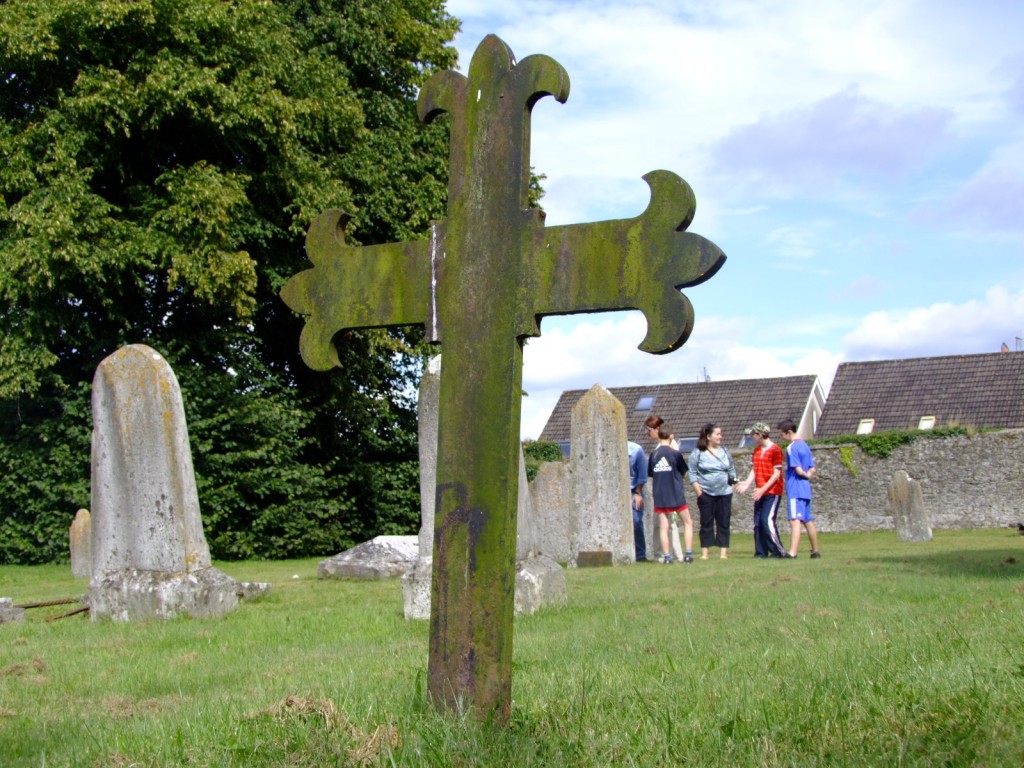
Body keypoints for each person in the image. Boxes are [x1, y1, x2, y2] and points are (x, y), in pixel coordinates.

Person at [645, 417, 694, 564]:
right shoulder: (675, 454)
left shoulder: (653, 455)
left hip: (660, 494)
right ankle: (688, 554)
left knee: (663, 527)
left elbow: (651, 473)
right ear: (671, 436)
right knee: (688, 522)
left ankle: (666, 556)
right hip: (675, 492)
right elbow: (684, 473)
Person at [736, 422, 788, 558]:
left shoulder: (775, 450)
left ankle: (778, 551)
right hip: (761, 491)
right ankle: (761, 552)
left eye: (753, 434)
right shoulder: (757, 450)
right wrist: (747, 483)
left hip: (772, 492)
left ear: (760, 435)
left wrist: (762, 490)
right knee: (758, 522)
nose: (752, 437)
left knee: (767, 521)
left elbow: (776, 474)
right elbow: (755, 469)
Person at [688, 423, 738, 560]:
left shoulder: (725, 451)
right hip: (706, 494)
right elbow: (692, 473)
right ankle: (705, 553)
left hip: (725, 493)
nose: (720, 437)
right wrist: (699, 492)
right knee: (706, 523)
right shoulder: (698, 453)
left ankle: (723, 553)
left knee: (724, 522)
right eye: (717, 434)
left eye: (721, 434)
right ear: (708, 436)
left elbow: (732, 470)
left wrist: (732, 486)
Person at [777, 419, 822, 559]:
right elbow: (812, 468)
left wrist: (805, 475)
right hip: (805, 489)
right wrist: (808, 475)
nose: (781, 437)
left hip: (795, 487)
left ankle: (792, 552)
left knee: (795, 520)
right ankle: (815, 551)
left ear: (788, 432)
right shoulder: (805, 445)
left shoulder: (792, 448)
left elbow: (798, 469)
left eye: (782, 434)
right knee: (808, 520)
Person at [628, 440, 649, 562]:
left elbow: (642, 475)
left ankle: (640, 554)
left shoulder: (636, 450)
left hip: (634, 491)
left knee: (636, 521)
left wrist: (637, 493)